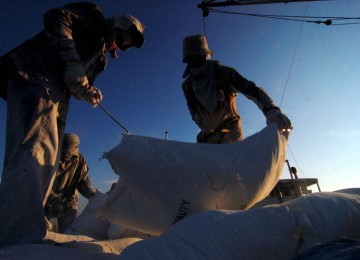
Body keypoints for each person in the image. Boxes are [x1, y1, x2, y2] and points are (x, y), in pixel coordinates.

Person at [0, 2, 144, 247]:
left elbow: (77, 83)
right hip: (35, 76)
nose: (125, 47)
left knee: (48, 160)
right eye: (128, 39)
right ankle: (15, 232)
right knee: (34, 151)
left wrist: (87, 92)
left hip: (54, 96)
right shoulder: (94, 17)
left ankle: (30, 225)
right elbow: (56, 18)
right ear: (121, 26)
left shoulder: (100, 60)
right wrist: (72, 61)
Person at [182, 34, 292, 144]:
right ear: (187, 63)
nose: (195, 65)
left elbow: (254, 91)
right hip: (207, 136)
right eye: (191, 60)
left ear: (206, 56)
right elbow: (191, 106)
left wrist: (271, 110)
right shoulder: (187, 86)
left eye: (198, 58)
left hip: (230, 132)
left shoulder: (225, 74)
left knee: (230, 159)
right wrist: (197, 118)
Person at [45, 133, 96, 233]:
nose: (65, 156)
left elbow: (83, 181)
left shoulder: (80, 160)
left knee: (68, 235)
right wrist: (52, 197)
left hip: (68, 204)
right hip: (46, 204)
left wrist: (93, 195)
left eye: (68, 153)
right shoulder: (48, 156)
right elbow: (40, 182)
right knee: (39, 237)